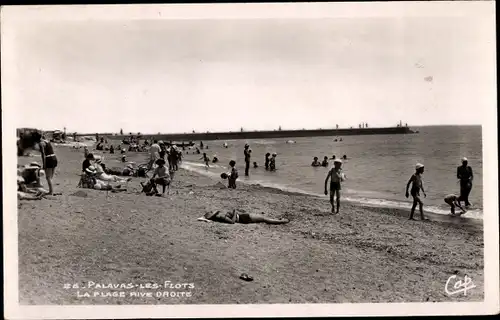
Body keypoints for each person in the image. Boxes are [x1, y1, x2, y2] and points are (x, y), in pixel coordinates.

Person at [32, 131, 58, 195]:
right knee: (50, 177)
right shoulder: (47, 141)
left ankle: (51, 192)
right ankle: (51, 190)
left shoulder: (41, 143)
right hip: (54, 158)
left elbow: (43, 155)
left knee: (48, 177)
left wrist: (44, 165)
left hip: (49, 159)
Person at [204, 209, 289, 225]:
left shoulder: (219, 217)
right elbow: (232, 222)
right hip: (245, 218)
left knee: (263, 217)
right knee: (264, 219)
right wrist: (235, 213)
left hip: (244, 217)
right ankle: (282, 221)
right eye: (211, 212)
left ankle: (279, 220)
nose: (212, 211)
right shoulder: (221, 218)